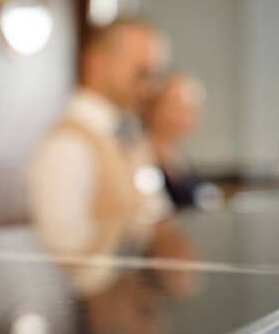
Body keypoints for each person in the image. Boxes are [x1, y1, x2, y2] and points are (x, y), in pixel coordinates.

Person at [28, 18, 169, 253]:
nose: (150, 87)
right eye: (141, 73)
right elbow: (64, 247)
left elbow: (155, 210)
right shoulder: (68, 145)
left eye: (154, 75)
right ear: (96, 63)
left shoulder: (128, 134)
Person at [144, 73, 221, 209]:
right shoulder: (139, 159)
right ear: (153, 108)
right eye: (178, 107)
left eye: (193, 109)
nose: (189, 117)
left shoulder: (181, 162)